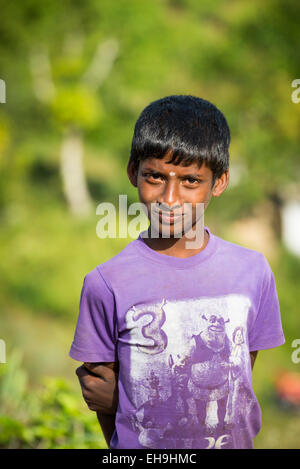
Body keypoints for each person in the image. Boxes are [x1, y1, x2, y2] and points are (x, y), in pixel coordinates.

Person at [69, 95, 285, 449]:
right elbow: (103, 401)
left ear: (218, 182)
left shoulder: (252, 272)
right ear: (132, 172)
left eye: (190, 181)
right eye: (155, 176)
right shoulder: (106, 283)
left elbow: (239, 379)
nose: (169, 199)